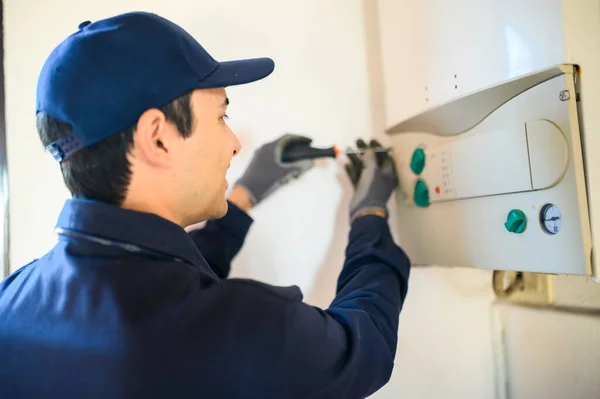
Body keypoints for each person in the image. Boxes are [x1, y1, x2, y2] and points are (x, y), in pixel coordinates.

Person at [0, 11, 411, 399]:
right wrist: (370, 215)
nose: (234, 144)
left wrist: (243, 197)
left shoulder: (11, 302)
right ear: (157, 137)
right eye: (220, 116)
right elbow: (363, 347)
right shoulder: (228, 329)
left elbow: (161, 280)